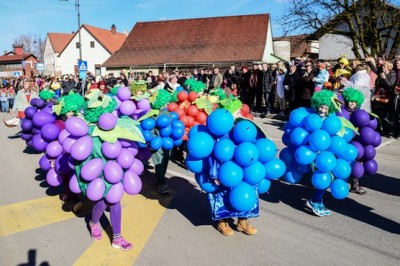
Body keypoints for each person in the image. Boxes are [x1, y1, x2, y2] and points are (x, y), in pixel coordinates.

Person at [306, 90, 341, 216]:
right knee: (324, 177)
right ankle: (314, 201)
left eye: (326, 107)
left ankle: (319, 201)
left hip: (327, 154)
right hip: (315, 154)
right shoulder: (312, 119)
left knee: (329, 177)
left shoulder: (331, 120)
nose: (323, 109)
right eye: (321, 106)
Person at [342, 88, 368, 194]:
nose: (352, 104)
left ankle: (354, 185)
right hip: (344, 141)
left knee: (356, 162)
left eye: (355, 102)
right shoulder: (342, 112)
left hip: (355, 142)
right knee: (343, 162)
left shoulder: (359, 114)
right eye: (351, 101)